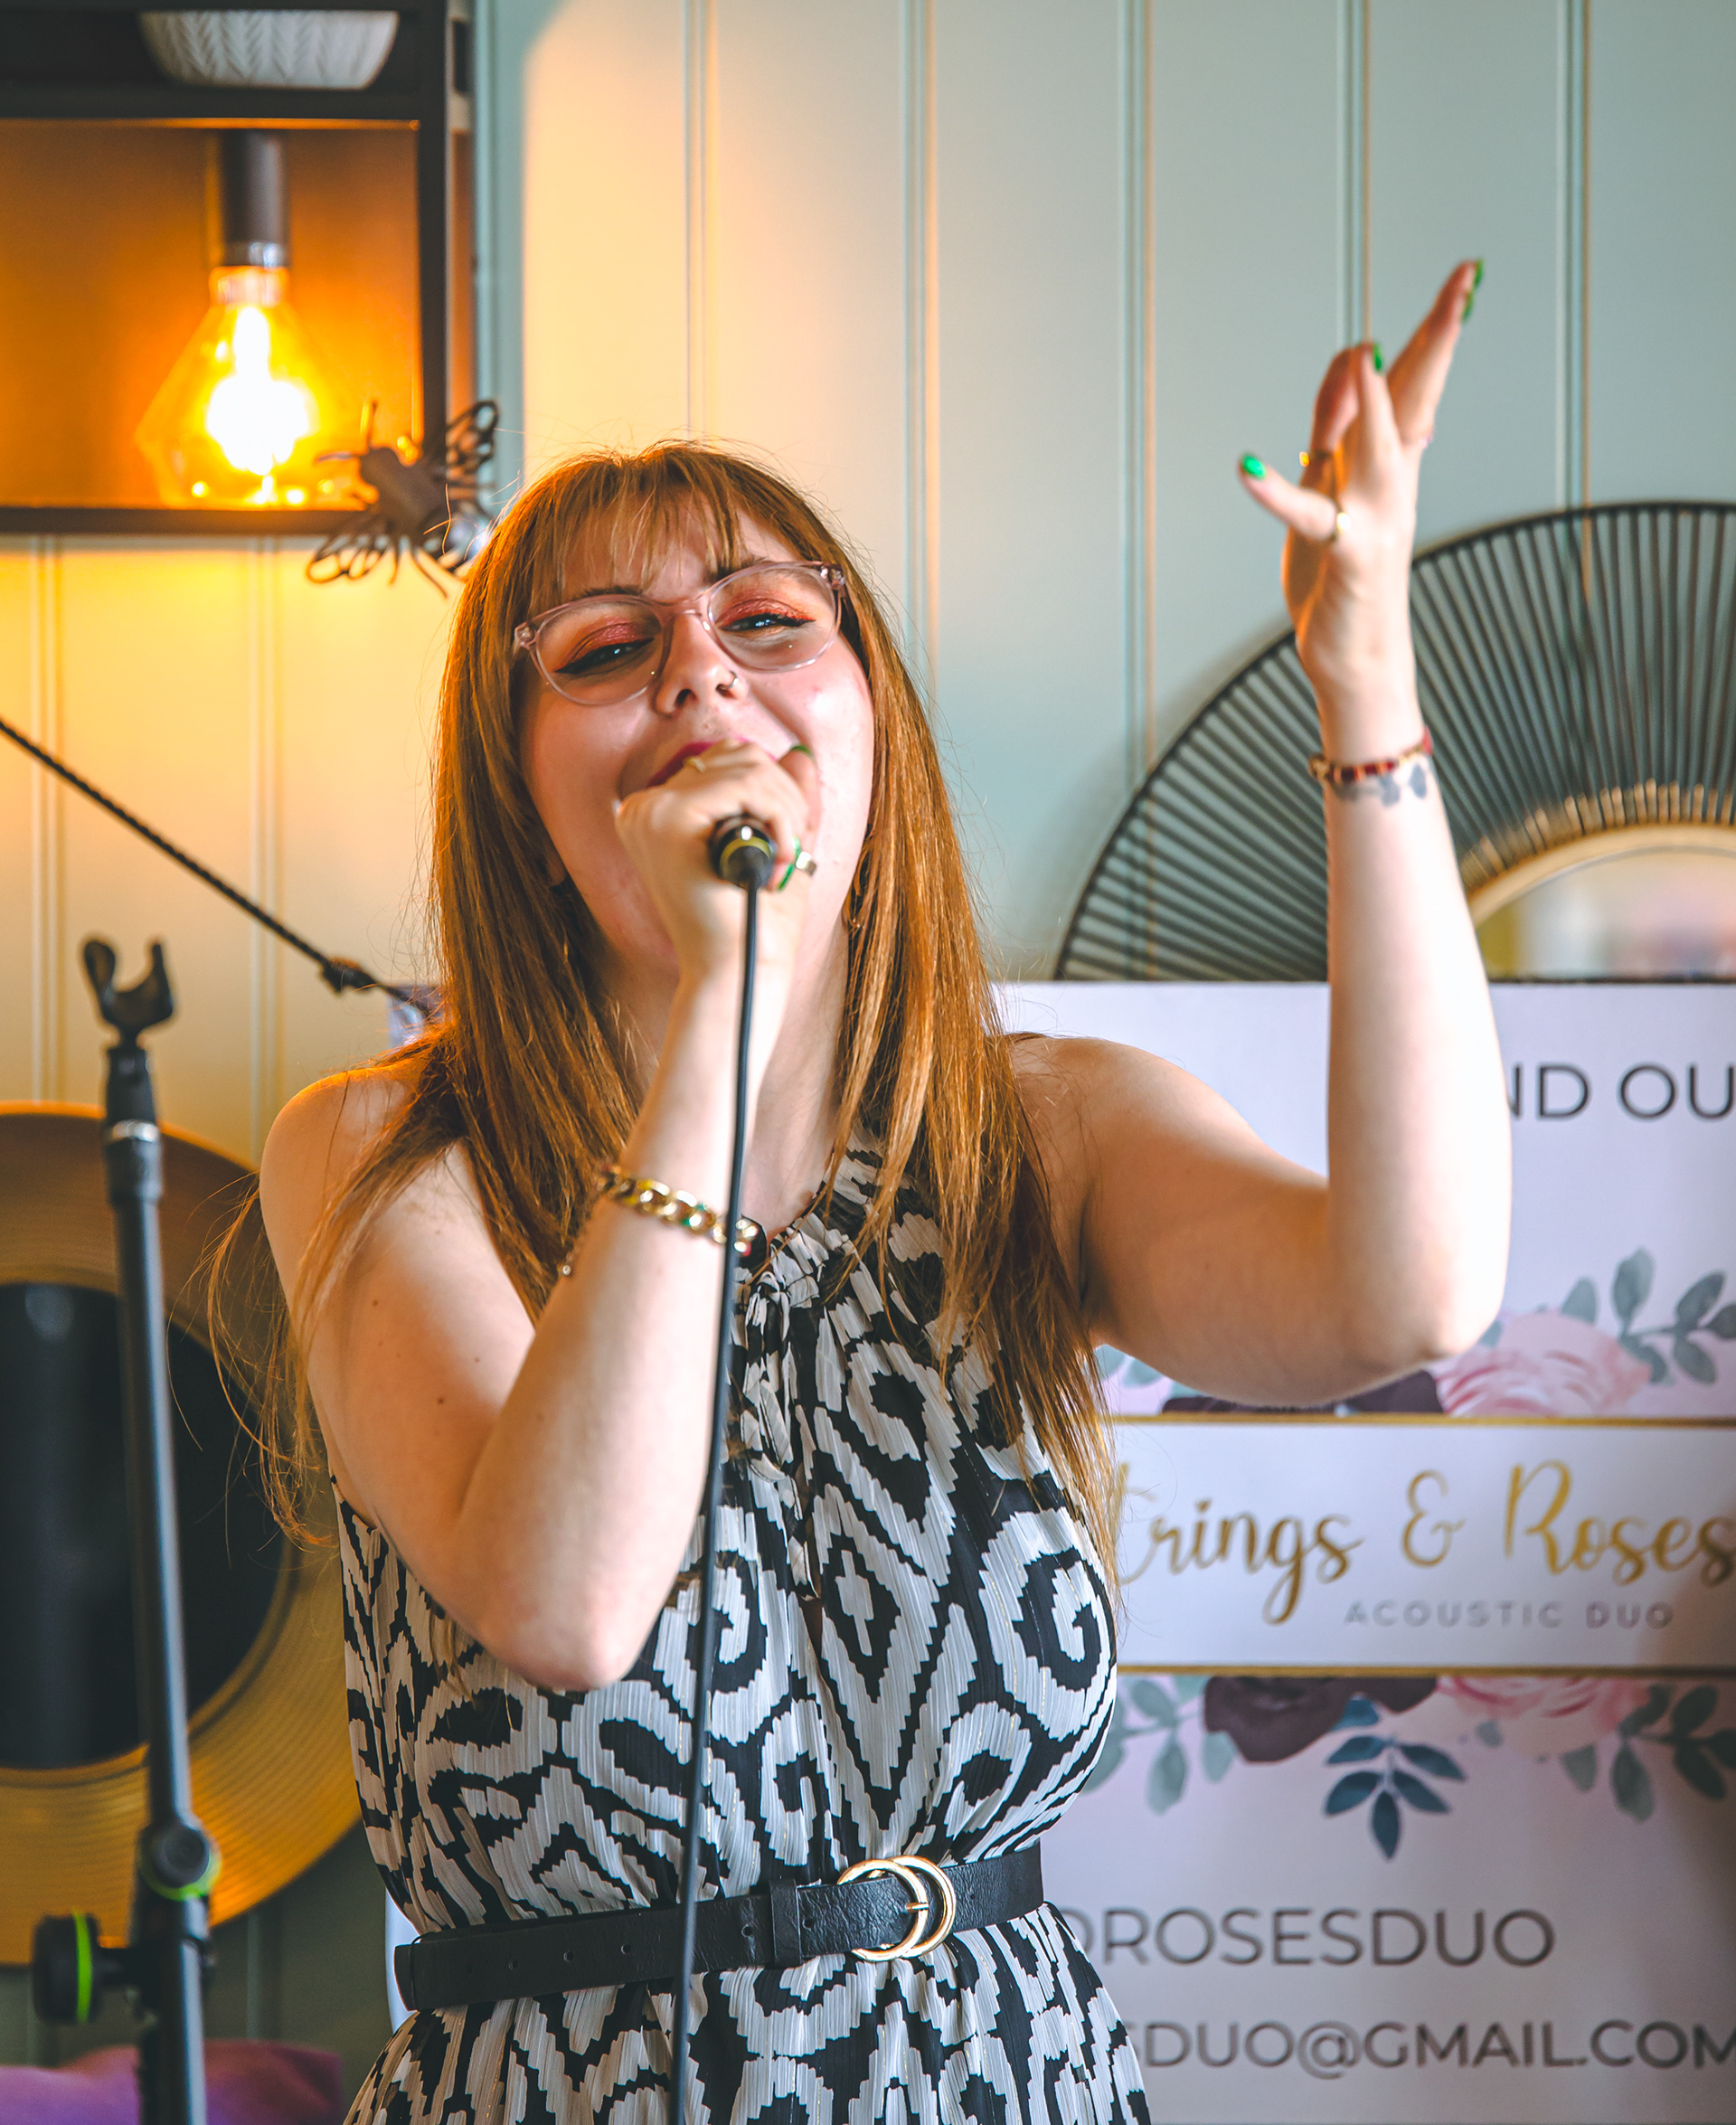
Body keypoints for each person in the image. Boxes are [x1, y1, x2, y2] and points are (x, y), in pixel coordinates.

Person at [255, 258, 1509, 2124]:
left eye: (766, 620)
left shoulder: (1042, 1133)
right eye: (601, 650)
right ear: (518, 791)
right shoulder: (385, 1150)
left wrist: (1368, 683)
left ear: (871, 716)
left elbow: (1408, 1293)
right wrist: (722, 996)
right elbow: (567, 1605)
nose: (700, 670)